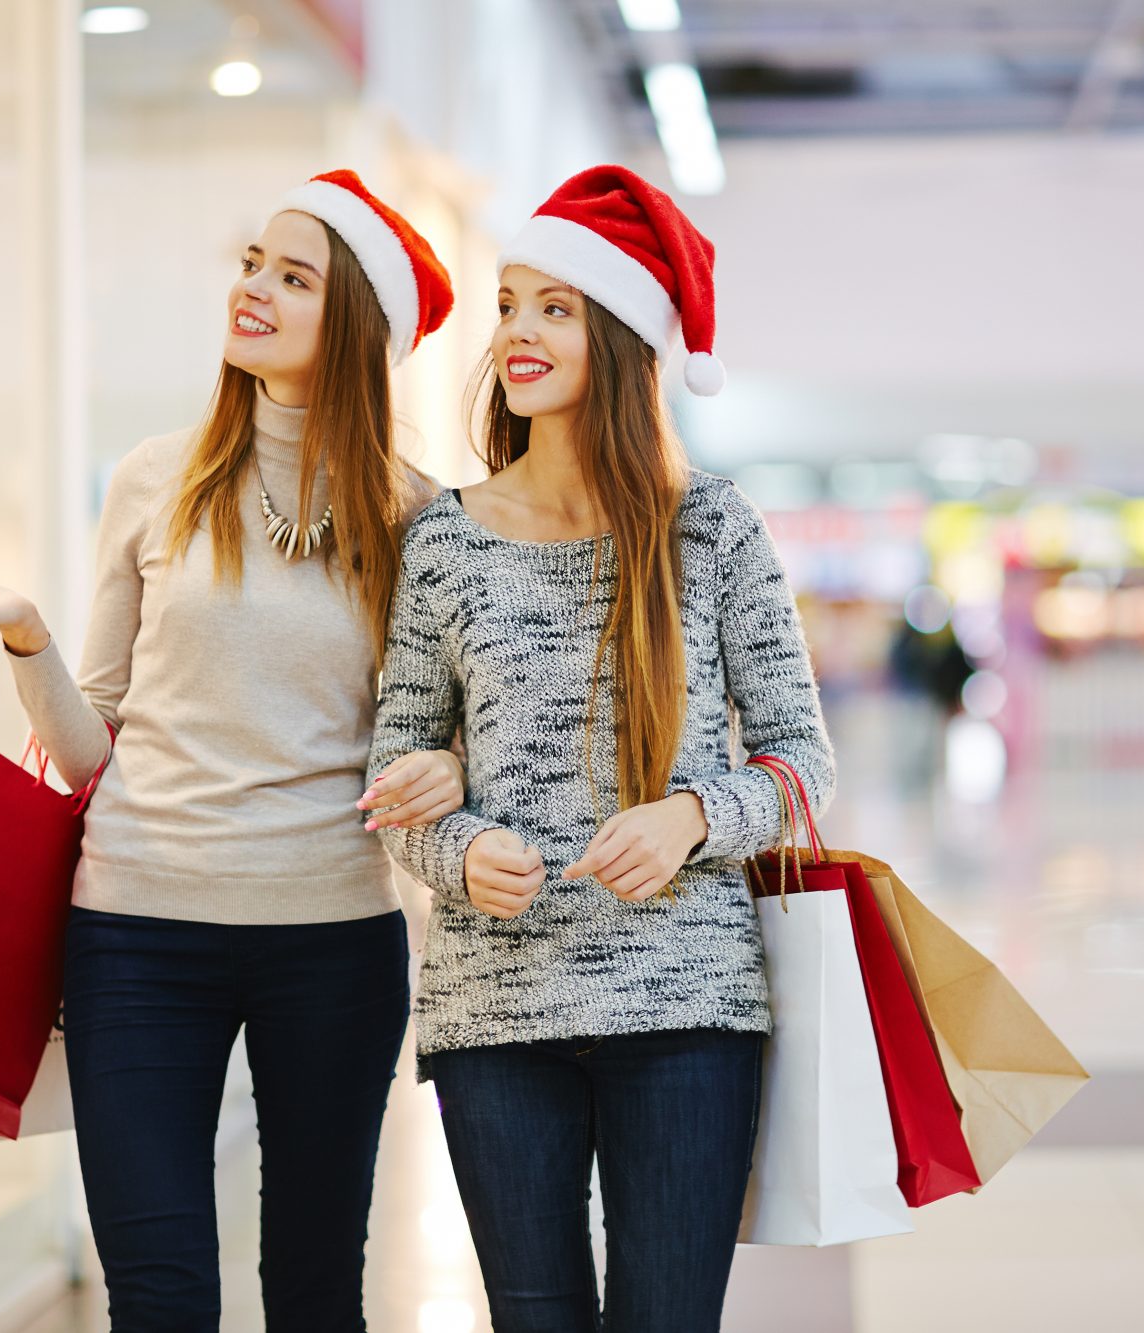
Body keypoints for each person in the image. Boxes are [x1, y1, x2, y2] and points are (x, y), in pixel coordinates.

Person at [0, 171, 461, 1332]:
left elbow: (439, 734)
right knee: (155, 1294)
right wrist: (23, 632)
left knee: (312, 1293)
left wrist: (443, 765)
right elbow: (91, 747)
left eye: (292, 277)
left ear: (350, 322)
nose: (252, 288)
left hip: (331, 943)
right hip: (136, 937)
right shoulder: (157, 476)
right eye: (252, 261)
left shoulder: (417, 514)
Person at [361, 165, 835, 1333]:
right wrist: (458, 849)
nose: (515, 329)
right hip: (493, 1012)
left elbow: (801, 765)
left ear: (619, 335)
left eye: (553, 307)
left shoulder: (709, 526)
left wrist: (688, 818)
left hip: (688, 1012)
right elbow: (399, 766)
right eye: (509, 302)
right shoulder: (442, 539)